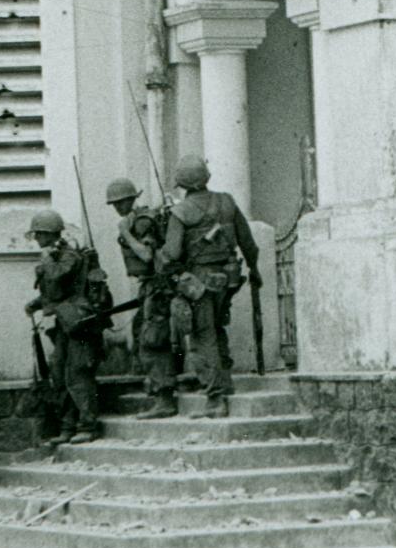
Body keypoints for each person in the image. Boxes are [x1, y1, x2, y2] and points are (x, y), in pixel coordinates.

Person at [157, 154, 260, 418]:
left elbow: (171, 254)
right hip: (228, 278)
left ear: (181, 183)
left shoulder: (180, 212)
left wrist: (161, 259)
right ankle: (226, 384)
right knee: (216, 328)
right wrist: (254, 269)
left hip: (199, 283)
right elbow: (248, 242)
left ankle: (215, 400)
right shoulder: (227, 201)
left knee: (202, 337)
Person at [25, 207, 112, 443]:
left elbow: (57, 278)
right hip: (64, 323)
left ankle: (87, 425)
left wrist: (45, 260)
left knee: (78, 373)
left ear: (49, 234)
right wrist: (35, 304)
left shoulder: (69, 255)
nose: (36, 240)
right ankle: (67, 426)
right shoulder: (55, 257)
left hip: (79, 324)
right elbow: (54, 292)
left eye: (39, 235)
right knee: (58, 372)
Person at [107, 177, 179, 419]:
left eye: (120, 202)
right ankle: (158, 388)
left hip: (158, 287)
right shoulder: (138, 219)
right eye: (114, 204)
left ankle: (165, 400)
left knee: (152, 341)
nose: (117, 207)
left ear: (130, 200)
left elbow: (147, 256)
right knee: (144, 334)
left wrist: (125, 233)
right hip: (151, 287)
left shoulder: (141, 222)